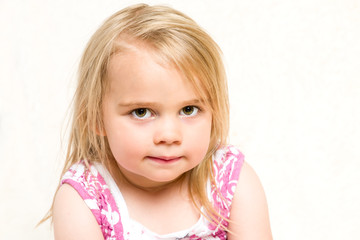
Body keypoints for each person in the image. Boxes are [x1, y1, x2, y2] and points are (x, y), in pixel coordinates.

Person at [49, 3, 272, 239]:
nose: (169, 135)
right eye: (142, 112)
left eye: (189, 109)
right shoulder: (86, 199)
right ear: (94, 118)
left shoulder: (230, 181)